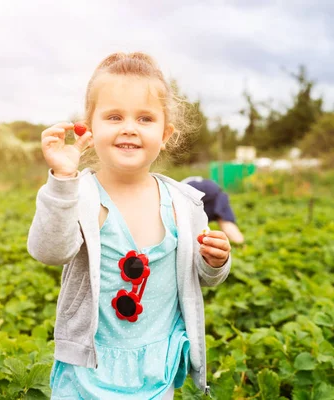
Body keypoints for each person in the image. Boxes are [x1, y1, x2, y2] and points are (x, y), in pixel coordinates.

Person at [27, 52, 231, 400]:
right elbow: (48, 251)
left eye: (145, 118)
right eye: (114, 116)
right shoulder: (79, 194)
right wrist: (62, 179)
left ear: (165, 133)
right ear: (89, 128)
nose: (129, 128)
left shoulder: (184, 204)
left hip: (155, 368)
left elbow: (201, 277)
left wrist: (215, 262)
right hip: (87, 368)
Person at [181, 176, 245, 244]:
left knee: (196, 231)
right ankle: (241, 245)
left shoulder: (178, 192)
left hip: (198, 194)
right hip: (215, 191)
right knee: (225, 222)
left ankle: (240, 244)